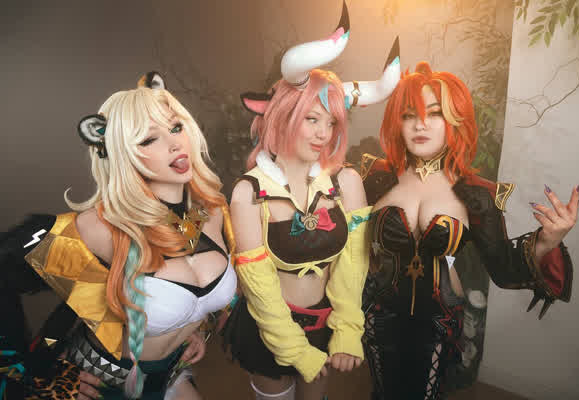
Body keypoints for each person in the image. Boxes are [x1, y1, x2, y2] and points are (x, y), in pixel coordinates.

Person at [0, 72, 237, 399]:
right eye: (149, 139)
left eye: (175, 127)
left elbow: (197, 287)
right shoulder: (102, 227)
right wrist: (30, 372)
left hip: (168, 374)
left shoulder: (210, 211)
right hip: (102, 381)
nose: (175, 144)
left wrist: (193, 326)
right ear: (121, 152)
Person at [360, 61, 577, 400]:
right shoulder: (376, 177)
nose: (420, 124)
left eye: (434, 113)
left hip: (439, 319)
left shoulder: (476, 194)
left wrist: (548, 240)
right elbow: (342, 243)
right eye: (408, 115)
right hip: (378, 314)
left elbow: (504, 268)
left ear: (454, 120)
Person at [223, 3, 401, 400]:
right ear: (284, 115)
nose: (324, 133)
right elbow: (258, 283)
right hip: (268, 329)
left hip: (323, 325)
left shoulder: (347, 182)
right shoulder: (248, 192)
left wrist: (347, 329)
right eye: (312, 119)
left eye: (331, 122)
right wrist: (293, 349)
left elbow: (353, 263)